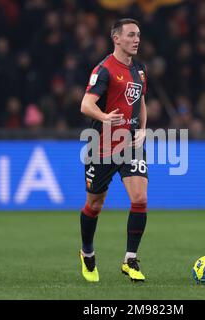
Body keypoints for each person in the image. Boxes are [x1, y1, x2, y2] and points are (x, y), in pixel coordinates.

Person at [79, 18, 149, 282]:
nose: (136, 39)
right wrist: (105, 117)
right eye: (131, 35)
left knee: (140, 197)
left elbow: (141, 101)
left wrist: (143, 128)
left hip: (130, 144)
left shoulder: (140, 69)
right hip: (101, 146)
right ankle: (87, 253)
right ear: (116, 38)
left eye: (138, 35)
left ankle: (130, 259)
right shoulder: (104, 69)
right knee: (94, 205)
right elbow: (86, 105)